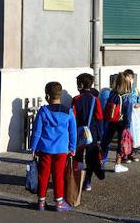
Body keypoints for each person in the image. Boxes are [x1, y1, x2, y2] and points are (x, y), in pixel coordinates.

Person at [29, 81, 78, 211]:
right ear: (60, 95)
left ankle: (41, 202)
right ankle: (59, 203)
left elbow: (37, 131)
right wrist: (73, 148)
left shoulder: (43, 111)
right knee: (59, 176)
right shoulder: (68, 112)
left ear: (47, 96)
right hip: (62, 150)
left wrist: (33, 147)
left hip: (45, 149)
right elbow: (73, 132)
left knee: (43, 175)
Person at [72, 73, 105, 187]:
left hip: (79, 132)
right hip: (92, 132)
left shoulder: (76, 99)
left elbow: (73, 118)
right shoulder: (95, 99)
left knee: (78, 157)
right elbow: (99, 118)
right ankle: (87, 182)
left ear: (81, 85)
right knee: (91, 158)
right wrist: (100, 136)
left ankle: (77, 181)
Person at [99, 72, 131, 172]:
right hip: (122, 122)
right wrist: (128, 126)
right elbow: (128, 113)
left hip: (111, 120)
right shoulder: (127, 97)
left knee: (106, 140)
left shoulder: (112, 93)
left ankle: (101, 161)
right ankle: (118, 164)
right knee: (121, 142)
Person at [123, 69, 140, 161]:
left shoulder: (135, 90)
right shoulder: (123, 90)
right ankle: (124, 154)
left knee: (135, 134)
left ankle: (132, 153)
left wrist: (138, 105)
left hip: (135, 115)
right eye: (127, 78)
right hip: (126, 114)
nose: (129, 80)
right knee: (127, 134)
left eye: (130, 78)